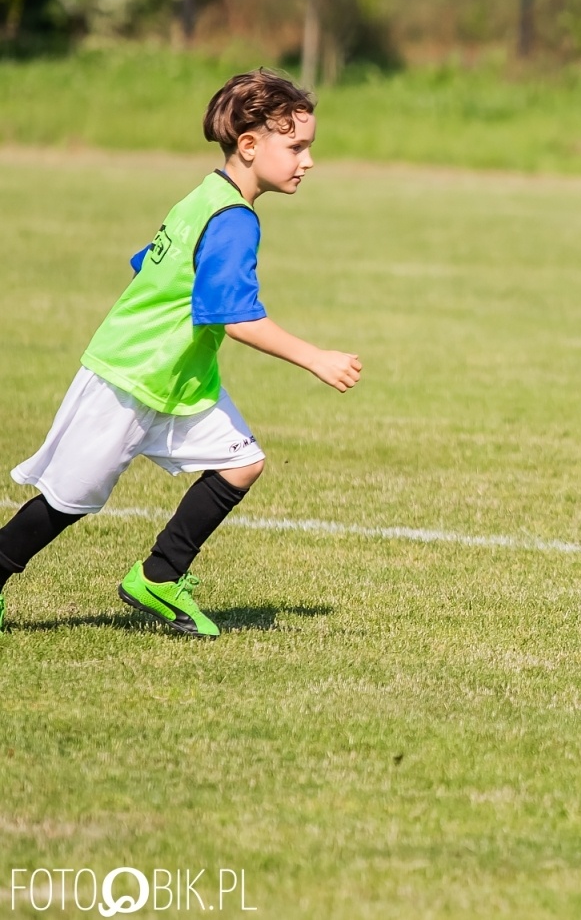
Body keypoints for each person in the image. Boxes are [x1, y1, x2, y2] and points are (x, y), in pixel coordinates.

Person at [0, 69, 362, 639]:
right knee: (67, 502)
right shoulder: (233, 219)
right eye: (296, 146)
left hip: (178, 381)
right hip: (130, 378)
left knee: (242, 462)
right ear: (249, 145)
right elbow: (232, 314)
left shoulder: (205, 195)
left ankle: (160, 576)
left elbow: (150, 261)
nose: (308, 160)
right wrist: (316, 357)